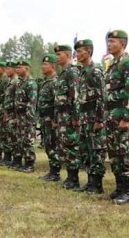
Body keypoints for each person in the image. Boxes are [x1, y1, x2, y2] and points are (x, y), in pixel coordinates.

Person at [104, 30, 129, 205]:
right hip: (111, 116)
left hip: (122, 117)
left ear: (123, 44)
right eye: (108, 41)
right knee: (115, 154)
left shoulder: (127, 63)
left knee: (125, 153)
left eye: (113, 41)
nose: (109, 44)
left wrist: (127, 117)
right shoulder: (112, 65)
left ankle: (128, 190)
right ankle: (119, 187)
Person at [74, 39, 107, 194]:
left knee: (97, 150)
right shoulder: (82, 72)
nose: (77, 54)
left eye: (80, 51)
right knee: (86, 150)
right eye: (77, 51)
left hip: (94, 118)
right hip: (84, 118)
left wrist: (100, 120)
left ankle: (97, 184)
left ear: (89, 52)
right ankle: (90, 181)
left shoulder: (96, 71)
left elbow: (102, 97)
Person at [53, 45, 82, 189]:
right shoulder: (62, 74)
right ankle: (70, 177)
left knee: (72, 146)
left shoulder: (72, 72)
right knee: (64, 146)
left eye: (59, 54)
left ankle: (74, 178)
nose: (57, 58)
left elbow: (75, 96)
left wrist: (76, 117)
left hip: (70, 115)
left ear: (67, 55)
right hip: (62, 115)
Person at [38, 54, 62, 181]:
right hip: (45, 118)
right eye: (42, 64)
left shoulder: (55, 82)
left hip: (51, 119)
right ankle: (52, 170)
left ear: (52, 66)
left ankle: (55, 172)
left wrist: (56, 120)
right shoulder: (46, 82)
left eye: (45, 64)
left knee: (53, 145)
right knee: (48, 145)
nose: (42, 66)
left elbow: (58, 102)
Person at [13, 60, 38, 172]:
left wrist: (29, 119)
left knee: (28, 140)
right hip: (19, 116)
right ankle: (22, 161)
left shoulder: (31, 83)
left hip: (27, 116)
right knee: (20, 139)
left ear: (26, 69)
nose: (17, 69)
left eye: (20, 67)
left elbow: (31, 103)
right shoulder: (20, 83)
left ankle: (29, 163)